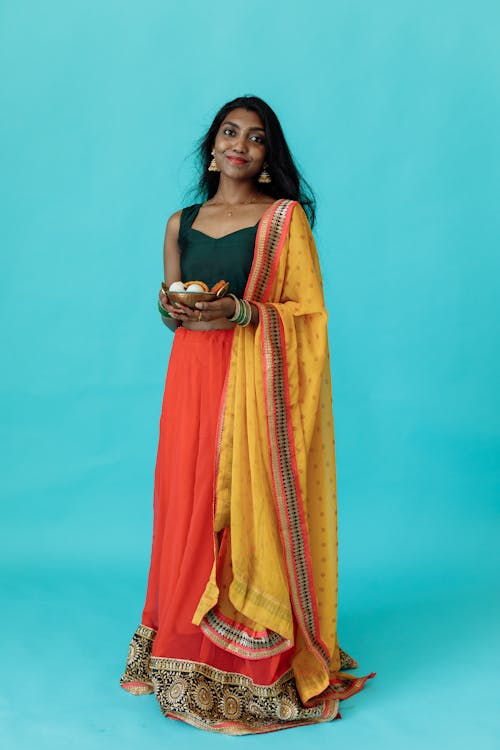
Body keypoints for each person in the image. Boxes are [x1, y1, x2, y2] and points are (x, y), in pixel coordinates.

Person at [120, 95, 374, 734]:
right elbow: (169, 302)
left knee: (240, 505)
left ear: (267, 158)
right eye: (230, 132)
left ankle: (250, 658)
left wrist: (241, 314)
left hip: (251, 387)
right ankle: (180, 649)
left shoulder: (284, 222)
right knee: (189, 505)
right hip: (191, 384)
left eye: (256, 138)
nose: (240, 144)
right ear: (212, 146)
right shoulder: (180, 222)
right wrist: (173, 309)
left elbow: (308, 317)